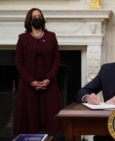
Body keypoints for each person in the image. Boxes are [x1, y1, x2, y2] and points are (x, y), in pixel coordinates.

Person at [13, 8, 64, 140]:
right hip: (28, 87)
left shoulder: (51, 36)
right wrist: (31, 81)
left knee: (51, 121)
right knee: (30, 120)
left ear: (42, 19)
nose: (37, 18)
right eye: (34, 16)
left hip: (49, 86)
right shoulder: (23, 38)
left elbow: (56, 59)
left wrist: (48, 79)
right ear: (29, 20)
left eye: (39, 16)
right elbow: (19, 63)